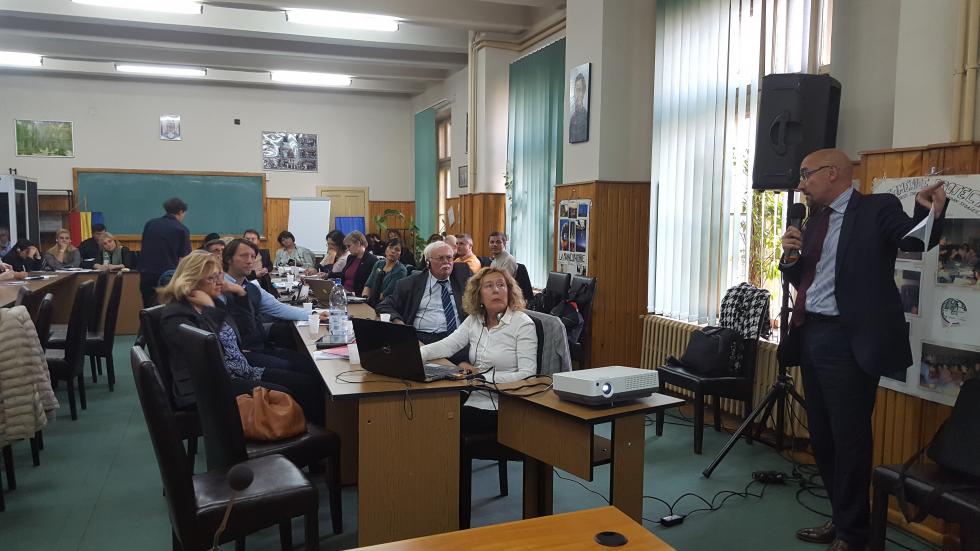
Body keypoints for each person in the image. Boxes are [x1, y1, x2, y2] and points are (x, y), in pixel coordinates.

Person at [780, 149, 947, 551]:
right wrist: (789, 256)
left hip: (849, 343)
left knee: (850, 439)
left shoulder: (876, 209)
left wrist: (932, 213)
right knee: (821, 437)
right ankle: (842, 520)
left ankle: (855, 536)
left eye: (806, 174)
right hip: (812, 334)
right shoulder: (814, 218)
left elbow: (914, 239)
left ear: (833, 172)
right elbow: (804, 277)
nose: (800, 184)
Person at [157, 251, 323, 424]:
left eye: (218, 277)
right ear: (191, 281)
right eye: (211, 279)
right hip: (210, 386)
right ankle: (300, 438)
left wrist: (241, 295)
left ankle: (313, 433)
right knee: (293, 390)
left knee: (308, 383)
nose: (218, 283)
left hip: (240, 372)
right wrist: (210, 305)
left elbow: (245, 328)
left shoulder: (209, 305)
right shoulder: (176, 314)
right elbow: (204, 353)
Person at [420, 266, 537, 434]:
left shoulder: (523, 324)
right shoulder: (475, 319)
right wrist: (418, 354)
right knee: (431, 406)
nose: (496, 290)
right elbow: (447, 345)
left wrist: (482, 378)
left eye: (501, 285)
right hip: (475, 393)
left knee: (444, 421)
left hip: (505, 403)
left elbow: (528, 374)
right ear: (479, 295)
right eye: (489, 286)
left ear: (509, 291)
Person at [220, 239, 327, 371]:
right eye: (243, 256)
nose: (249, 261)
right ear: (228, 259)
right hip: (241, 354)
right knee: (302, 371)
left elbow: (279, 308)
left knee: (311, 364)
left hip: (260, 345)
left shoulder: (251, 287)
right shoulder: (218, 288)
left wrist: (315, 314)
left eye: (252, 257)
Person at [376, 241, 472, 363]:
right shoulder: (410, 284)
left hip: (457, 338)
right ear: (428, 262)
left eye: (449, 257)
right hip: (423, 338)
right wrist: (397, 321)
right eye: (440, 258)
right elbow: (384, 305)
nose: (446, 262)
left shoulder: (462, 274)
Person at [140, 197, 191, 307]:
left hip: (146, 274)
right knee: (166, 310)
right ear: (181, 211)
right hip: (167, 277)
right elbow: (184, 259)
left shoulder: (150, 224)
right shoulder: (181, 229)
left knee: (148, 309)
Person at [362, 237, 408, 307]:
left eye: (397, 250)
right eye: (390, 247)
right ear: (386, 249)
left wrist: (370, 304)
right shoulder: (379, 263)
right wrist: (364, 299)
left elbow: (385, 295)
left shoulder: (401, 270)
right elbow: (368, 285)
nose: (393, 251)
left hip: (386, 306)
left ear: (400, 254)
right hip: (371, 302)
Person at [329, 230, 377, 295]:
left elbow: (369, 284)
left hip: (356, 295)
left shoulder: (372, 260)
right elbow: (343, 274)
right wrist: (327, 275)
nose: (348, 249)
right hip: (344, 292)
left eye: (349, 246)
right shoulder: (351, 257)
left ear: (358, 243)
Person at [569, 72, 589, 143]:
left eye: (579, 90)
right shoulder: (572, 119)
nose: (577, 95)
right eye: (576, 90)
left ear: (584, 92)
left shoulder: (586, 117)